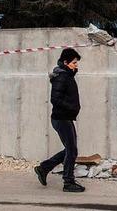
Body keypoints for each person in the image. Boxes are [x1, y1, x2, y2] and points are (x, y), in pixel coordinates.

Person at [34, 48, 85, 192]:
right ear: (65, 62)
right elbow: (55, 99)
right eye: (74, 63)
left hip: (65, 117)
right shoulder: (62, 76)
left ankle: (44, 168)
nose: (76, 65)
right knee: (72, 150)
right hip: (61, 118)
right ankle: (68, 182)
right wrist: (71, 108)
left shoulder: (67, 75)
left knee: (70, 149)